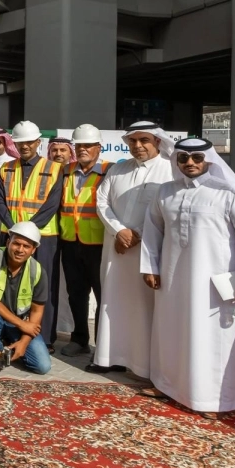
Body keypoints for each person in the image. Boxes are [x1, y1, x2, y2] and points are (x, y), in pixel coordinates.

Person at [140, 138, 235, 417]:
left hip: (215, 284)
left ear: (209, 160)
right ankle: (167, 386)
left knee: (211, 339)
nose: (190, 163)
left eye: (197, 157)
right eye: (183, 158)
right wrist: (150, 266)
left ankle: (212, 400)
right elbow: (153, 232)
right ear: (176, 161)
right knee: (171, 332)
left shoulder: (228, 194)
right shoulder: (165, 192)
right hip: (173, 278)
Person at [91, 122, 174, 376]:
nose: (138, 146)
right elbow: (101, 201)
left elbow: (166, 208)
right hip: (116, 249)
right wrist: (119, 230)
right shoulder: (118, 168)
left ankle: (144, 365)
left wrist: (134, 233)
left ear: (157, 142)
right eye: (133, 141)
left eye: (144, 141)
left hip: (148, 250)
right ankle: (109, 357)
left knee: (143, 305)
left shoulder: (170, 170)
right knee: (112, 303)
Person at [0, 121, 63, 349]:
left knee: (43, 287)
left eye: (29, 142)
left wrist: (27, 233)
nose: (25, 146)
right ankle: (8, 334)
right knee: (6, 285)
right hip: (10, 235)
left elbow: (52, 205)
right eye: (20, 142)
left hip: (44, 238)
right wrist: (15, 230)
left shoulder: (54, 168)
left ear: (38, 143)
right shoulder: (6, 168)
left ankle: (44, 338)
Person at [0, 221, 52, 375]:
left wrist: (24, 342)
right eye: (16, 244)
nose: (20, 250)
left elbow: (36, 313)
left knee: (42, 366)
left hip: (17, 325)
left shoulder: (38, 271)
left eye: (26, 246)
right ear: (8, 242)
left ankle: (11, 346)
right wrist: (23, 324)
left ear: (33, 250)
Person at [57, 124, 108, 358]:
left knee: (103, 296)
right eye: (80, 146)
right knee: (76, 294)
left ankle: (103, 346)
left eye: (88, 145)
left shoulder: (110, 172)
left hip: (99, 245)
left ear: (99, 147)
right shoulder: (65, 171)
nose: (83, 150)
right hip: (70, 242)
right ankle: (80, 340)